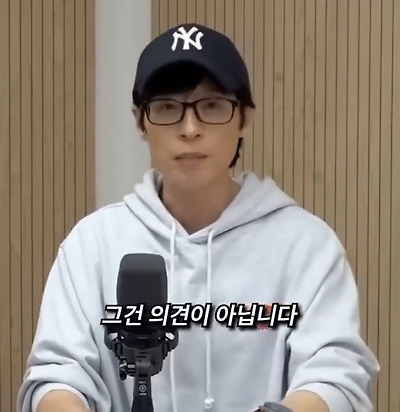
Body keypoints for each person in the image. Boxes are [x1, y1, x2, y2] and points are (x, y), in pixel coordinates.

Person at [18, 23, 379, 412]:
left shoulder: (307, 245)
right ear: (140, 122)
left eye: (211, 106)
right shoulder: (93, 244)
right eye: (167, 108)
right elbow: (57, 376)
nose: (190, 129)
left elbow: (335, 376)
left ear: (245, 118)